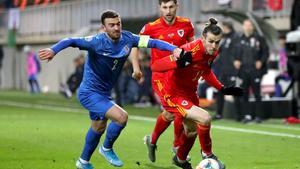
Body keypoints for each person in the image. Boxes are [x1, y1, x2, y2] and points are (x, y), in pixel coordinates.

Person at [38, 10, 185, 169]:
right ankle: (106, 148)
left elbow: (153, 42)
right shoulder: (96, 42)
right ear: (104, 27)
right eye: (111, 25)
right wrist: (53, 50)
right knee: (121, 117)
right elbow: (70, 40)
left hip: (103, 94)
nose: (116, 28)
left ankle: (83, 161)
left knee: (98, 127)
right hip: (89, 93)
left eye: (118, 24)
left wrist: (174, 49)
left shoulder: (129, 39)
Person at [151, 18, 243, 169]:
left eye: (217, 42)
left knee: (191, 130)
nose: (214, 46)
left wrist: (222, 88)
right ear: (203, 39)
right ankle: (207, 154)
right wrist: (178, 62)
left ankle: (180, 160)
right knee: (205, 118)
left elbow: (205, 71)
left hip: (189, 92)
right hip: (173, 93)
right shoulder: (189, 50)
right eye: (211, 41)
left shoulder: (213, 52)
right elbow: (156, 66)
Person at [133, 0, 195, 162]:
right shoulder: (151, 27)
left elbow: (191, 47)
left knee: (169, 114)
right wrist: (136, 68)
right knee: (178, 109)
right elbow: (135, 45)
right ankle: (176, 146)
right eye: (164, 7)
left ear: (177, 6)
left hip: (180, 76)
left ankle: (151, 141)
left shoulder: (186, 24)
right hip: (160, 77)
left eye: (171, 7)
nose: (168, 11)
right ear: (160, 8)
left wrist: (196, 67)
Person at [234, 19, 269, 123]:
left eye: (250, 25)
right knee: (244, 94)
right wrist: (235, 61)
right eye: (246, 25)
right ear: (243, 27)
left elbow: (265, 52)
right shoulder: (239, 39)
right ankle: (247, 116)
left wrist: (261, 62)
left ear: (252, 27)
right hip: (243, 70)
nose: (248, 27)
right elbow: (234, 53)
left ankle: (258, 116)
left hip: (255, 70)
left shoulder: (259, 38)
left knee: (257, 93)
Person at [213, 21, 240, 121]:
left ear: (226, 27)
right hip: (222, 69)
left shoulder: (235, 37)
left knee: (235, 91)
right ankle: (219, 114)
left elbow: (237, 52)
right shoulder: (223, 38)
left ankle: (239, 115)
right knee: (220, 91)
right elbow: (218, 51)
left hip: (232, 70)